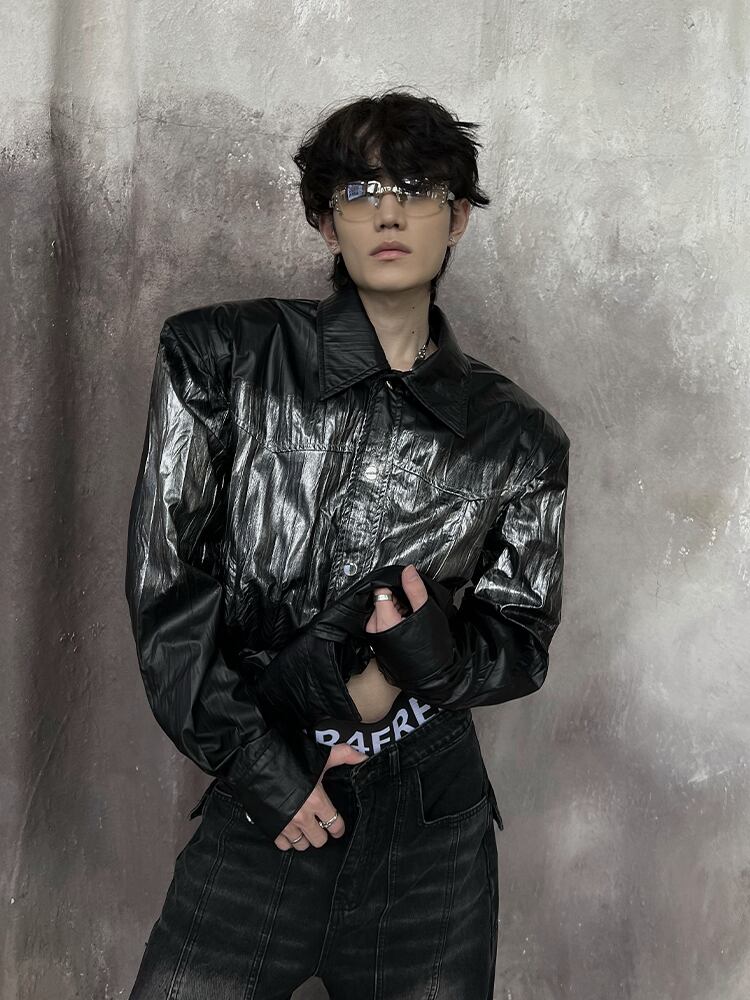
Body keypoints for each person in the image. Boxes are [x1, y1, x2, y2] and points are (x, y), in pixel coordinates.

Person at [124, 87, 570, 999]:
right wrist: (265, 771)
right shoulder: (219, 358)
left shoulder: (520, 437)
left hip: (431, 831)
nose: (390, 213)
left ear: (459, 218)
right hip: (270, 791)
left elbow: (521, 639)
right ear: (327, 223)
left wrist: (437, 658)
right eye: (362, 191)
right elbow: (168, 593)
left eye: (418, 188)